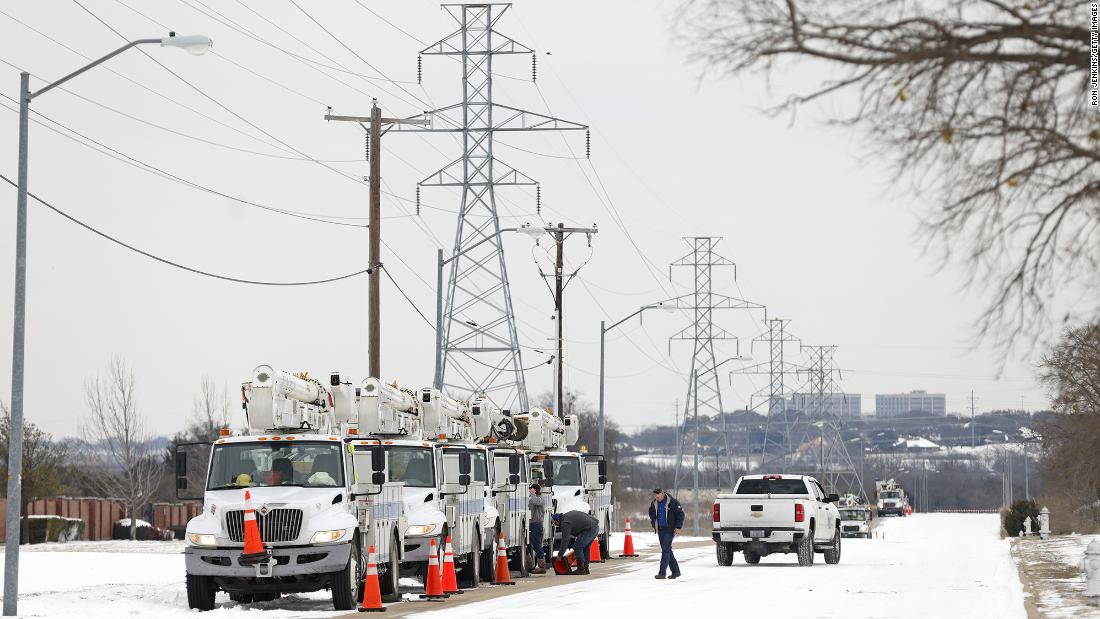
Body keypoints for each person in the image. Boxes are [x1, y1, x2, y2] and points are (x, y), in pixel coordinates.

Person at [648, 488, 685, 579]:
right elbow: (651, 513)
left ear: (663, 494)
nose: (657, 498)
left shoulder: (672, 502)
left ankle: (662, 573)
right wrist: (654, 522)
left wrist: (678, 527)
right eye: (655, 497)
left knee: (665, 550)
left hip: (670, 530)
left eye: (659, 496)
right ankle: (676, 572)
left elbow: (681, 515)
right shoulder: (654, 503)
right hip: (660, 530)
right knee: (667, 550)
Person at [552, 511, 599, 575]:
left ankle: (581, 569)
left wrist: (560, 555)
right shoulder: (567, 516)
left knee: (577, 547)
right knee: (585, 547)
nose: (555, 524)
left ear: (557, 520)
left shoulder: (565, 522)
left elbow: (565, 540)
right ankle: (585, 568)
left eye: (555, 522)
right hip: (595, 527)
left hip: (589, 529)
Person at [528, 484, 547, 573]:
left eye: (531, 489)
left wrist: (532, 494)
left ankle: (542, 566)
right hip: (530, 524)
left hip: (537, 524)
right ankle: (530, 564)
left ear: (535, 490)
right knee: (528, 544)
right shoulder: (532, 497)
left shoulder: (540, 498)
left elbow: (535, 502)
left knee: (537, 544)